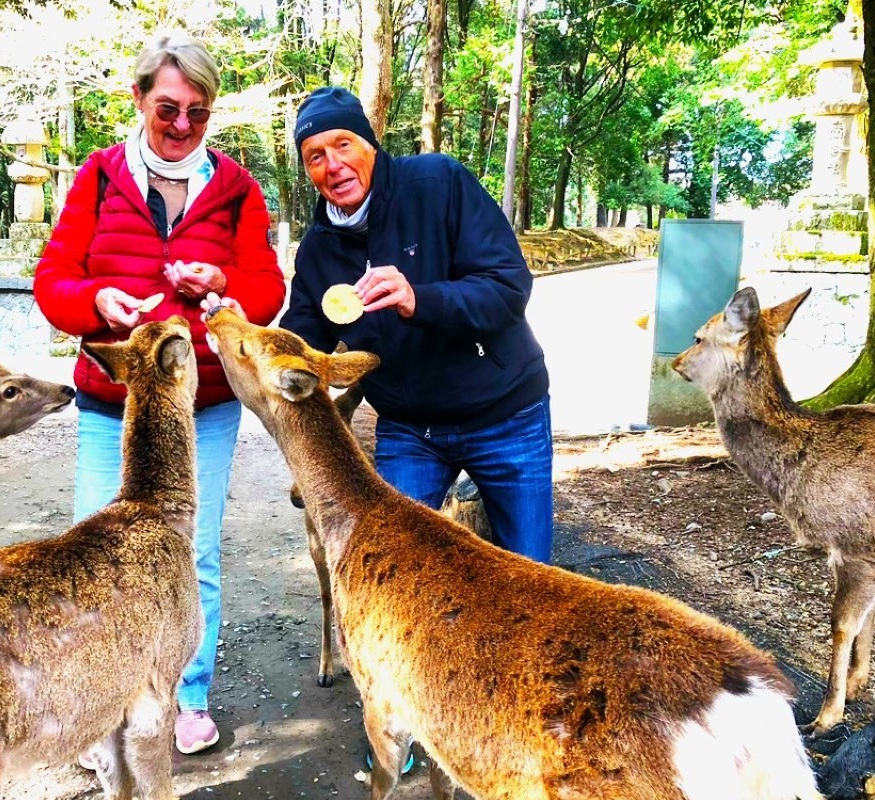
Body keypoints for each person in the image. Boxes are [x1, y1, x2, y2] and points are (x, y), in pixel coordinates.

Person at [33, 32, 287, 757]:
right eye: (167, 108)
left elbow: (266, 290)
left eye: (197, 114)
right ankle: (100, 705)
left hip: (201, 405)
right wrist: (96, 301)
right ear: (140, 98)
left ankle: (185, 696)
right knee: (94, 546)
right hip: (111, 402)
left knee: (191, 553)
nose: (180, 126)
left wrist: (224, 288)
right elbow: (53, 283)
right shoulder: (100, 175)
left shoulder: (236, 188)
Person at [280, 86, 554, 565]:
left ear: (370, 143)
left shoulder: (438, 183)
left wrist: (419, 299)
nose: (333, 164)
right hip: (411, 432)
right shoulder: (319, 249)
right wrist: (248, 340)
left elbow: (508, 287)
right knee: (392, 569)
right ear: (308, 170)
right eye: (315, 155)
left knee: (531, 579)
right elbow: (303, 336)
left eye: (343, 144)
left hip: (506, 416)